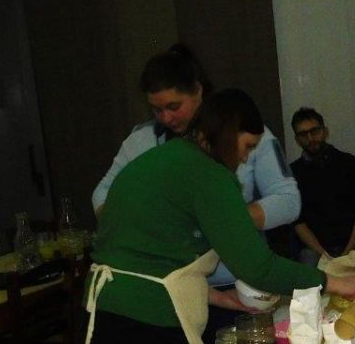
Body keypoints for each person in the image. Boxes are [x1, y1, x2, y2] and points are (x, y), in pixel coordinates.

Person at [85, 89, 355, 344]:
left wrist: (218, 298)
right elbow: (259, 268)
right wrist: (334, 282)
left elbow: (150, 256)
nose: (245, 158)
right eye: (247, 147)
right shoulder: (208, 175)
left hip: (106, 316)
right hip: (145, 328)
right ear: (228, 135)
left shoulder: (163, 159)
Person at [91, 44, 299, 295]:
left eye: (174, 106)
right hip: (170, 285)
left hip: (238, 282)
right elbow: (102, 193)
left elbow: (289, 201)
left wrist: (221, 218)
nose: (166, 118)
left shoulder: (246, 133)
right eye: (157, 110)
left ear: (198, 91)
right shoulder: (141, 140)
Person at [289, 106, 355, 263]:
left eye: (314, 131)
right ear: (297, 140)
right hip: (315, 249)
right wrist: (326, 257)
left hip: (352, 244)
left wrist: (347, 253)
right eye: (303, 134)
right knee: (309, 260)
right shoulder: (293, 173)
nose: (310, 138)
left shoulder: (350, 163)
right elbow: (298, 223)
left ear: (325, 131)